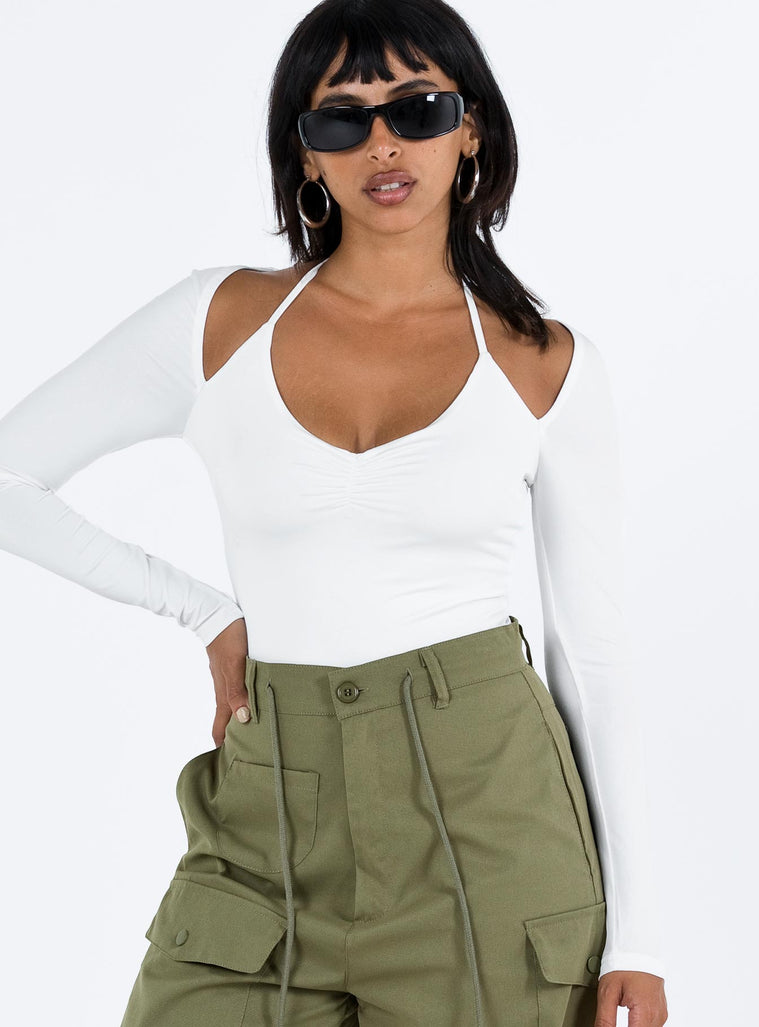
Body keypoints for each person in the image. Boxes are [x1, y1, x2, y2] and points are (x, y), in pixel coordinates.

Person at [0, 1, 669, 1025]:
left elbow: (594, 654)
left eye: (417, 108)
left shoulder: (541, 362)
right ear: (305, 153)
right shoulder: (219, 322)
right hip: (268, 814)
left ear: (471, 129)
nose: (382, 144)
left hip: (491, 821)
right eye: (341, 118)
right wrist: (204, 612)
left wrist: (640, 938)